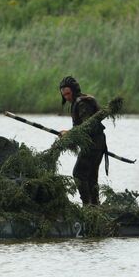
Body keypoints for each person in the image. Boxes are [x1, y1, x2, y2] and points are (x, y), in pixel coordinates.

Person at [59, 76, 107, 206]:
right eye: (64, 95)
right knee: (91, 177)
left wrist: (69, 133)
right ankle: (95, 206)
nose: (67, 97)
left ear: (74, 91)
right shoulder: (80, 101)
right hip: (98, 143)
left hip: (92, 144)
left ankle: (87, 205)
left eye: (68, 93)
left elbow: (87, 126)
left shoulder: (82, 103)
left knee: (79, 174)